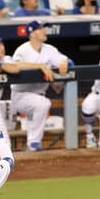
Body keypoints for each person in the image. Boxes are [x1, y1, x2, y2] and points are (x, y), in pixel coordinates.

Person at [10, 20, 71, 151]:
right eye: (40, 29)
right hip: (21, 95)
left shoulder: (50, 49)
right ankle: (34, 142)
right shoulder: (23, 49)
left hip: (38, 95)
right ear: (32, 33)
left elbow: (65, 60)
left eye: (44, 28)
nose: (44, 31)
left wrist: (65, 63)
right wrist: (40, 66)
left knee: (39, 106)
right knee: (43, 104)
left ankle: (31, 148)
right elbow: (16, 65)